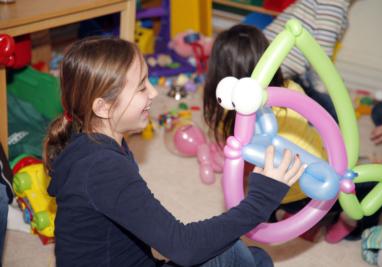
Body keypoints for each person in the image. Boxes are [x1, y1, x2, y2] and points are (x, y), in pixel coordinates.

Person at [43, 36, 306, 267]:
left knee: (251, 257)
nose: (155, 92)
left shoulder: (96, 143)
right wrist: (260, 201)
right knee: (231, 252)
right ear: (103, 107)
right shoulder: (102, 167)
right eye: (142, 86)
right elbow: (184, 247)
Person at [203, 24, 327, 207]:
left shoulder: (227, 109)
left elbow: (245, 150)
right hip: (318, 176)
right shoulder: (292, 90)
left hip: (283, 191)